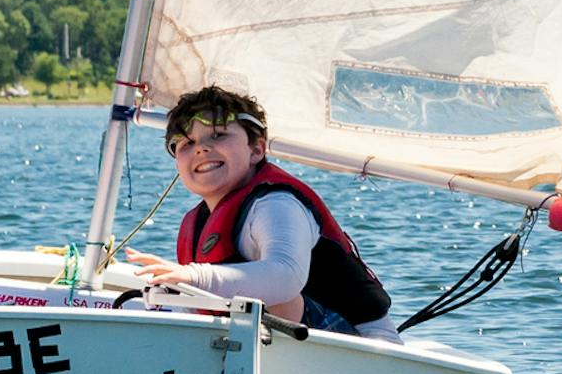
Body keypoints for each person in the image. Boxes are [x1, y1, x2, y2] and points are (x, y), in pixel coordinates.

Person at [123, 85, 393, 337]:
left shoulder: (277, 204)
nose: (201, 148)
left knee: (274, 298)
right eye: (186, 143)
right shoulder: (194, 223)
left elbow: (286, 276)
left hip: (365, 350)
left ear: (256, 150)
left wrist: (195, 276)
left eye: (218, 135)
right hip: (278, 355)